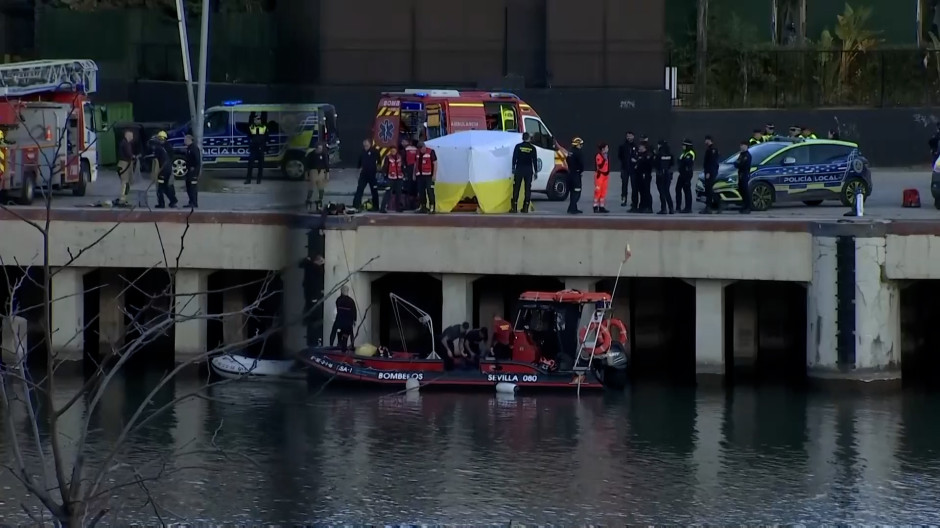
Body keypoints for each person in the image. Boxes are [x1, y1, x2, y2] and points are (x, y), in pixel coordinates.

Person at [510, 132, 538, 213]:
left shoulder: (518, 146)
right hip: (528, 170)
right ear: (529, 138)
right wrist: (536, 172)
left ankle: (514, 207)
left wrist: (513, 167)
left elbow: (514, 157)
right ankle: (525, 207)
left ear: (522, 138)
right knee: (527, 189)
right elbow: (535, 161)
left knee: (516, 188)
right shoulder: (532, 148)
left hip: (519, 169)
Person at [151, 131, 178, 209]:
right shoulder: (168, 146)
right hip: (168, 169)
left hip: (162, 171)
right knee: (166, 187)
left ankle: (161, 203)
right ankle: (173, 200)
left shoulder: (158, 148)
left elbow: (156, 160)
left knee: (160, 188)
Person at [353, 138, 381, 211]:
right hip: (364, 175)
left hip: (372, 174)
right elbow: (359, 163)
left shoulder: (375, 151)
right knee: (359, 189)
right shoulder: (362, 152)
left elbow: (379, 161)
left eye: (366, 143)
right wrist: (357, 171)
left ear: (370, 144)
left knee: (374, 190)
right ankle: (356, 205)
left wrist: (378, 169)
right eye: (364, 144)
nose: (365, 145)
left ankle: (376, 206)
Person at [330, 285, 357, 350]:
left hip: (340, 320)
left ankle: (332, 346)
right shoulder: (351, 301)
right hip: (347, 321)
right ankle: (351, 346)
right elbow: (354, 311)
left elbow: (338, 308)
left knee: (335, 331)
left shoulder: (338, 300)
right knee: (349, 333)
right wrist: (354, 320)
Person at [304, 142, 330, 212]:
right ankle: (309, 200)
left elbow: (326, 164)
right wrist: (307, 174)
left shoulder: (324, 154)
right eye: (319, 148)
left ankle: (319, 201)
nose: (320, 150)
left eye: (321, 149)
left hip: (321, 171)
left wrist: (327, 174)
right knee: (311, 188)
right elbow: (307, 165)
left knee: (321, 188)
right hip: (313, 171)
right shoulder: (311, 154)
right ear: (316, 148)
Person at [415, 140, 437, 213]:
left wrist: (434, 175)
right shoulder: (418, 153)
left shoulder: (431, 152)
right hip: (420, 175)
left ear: (424, 146)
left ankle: (432, 206)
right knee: (421, 191)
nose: (421, 150)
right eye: (419, 149)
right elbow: (416, 163)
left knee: (430, 191)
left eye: (422, 148)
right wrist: (414, 174)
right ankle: (423, 206)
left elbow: (435, 163)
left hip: (429, 176)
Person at [380, 146, 404, 213]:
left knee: (399, 193)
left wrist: (404, 174)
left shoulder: (400, 157)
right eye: (392, 150)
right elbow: (385, 167)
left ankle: (398, 208)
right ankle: (382, 208)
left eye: (394, 150)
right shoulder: (388, 158)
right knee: (388, 193)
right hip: (390, 178)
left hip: (399, 178)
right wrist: (384, 175)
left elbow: (402, 166)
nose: (393, 152)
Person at [244, 114, 267, 184]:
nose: (258, 120)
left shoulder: (264, 127)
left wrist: (261, 143)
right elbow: (249, 135)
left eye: (259, 119)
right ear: (254, 120)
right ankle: (248, 180)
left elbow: (266, 137)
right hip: (253, 149)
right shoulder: (251, 127)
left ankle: (259, 180)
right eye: (256, 119)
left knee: (260, 166)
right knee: (250, 165)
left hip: (261, 148)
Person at [655, 139, 675, 215]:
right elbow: (672, 164)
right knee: (667, 192)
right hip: (668, 174)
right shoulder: (670, 154)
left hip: (660, 175)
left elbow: (655, 164)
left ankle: (663, 209)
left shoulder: (659, 154)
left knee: (662, 192)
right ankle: (671, 208)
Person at [617, 132, 637, 208]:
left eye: (630, 136)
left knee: (634, 186)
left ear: (633, 136)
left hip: (633, 169)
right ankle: (623, 200)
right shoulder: (622, 146)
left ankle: (634, 201)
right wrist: (625, 161)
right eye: (628, 136)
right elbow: (620, 156)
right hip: (624, 168)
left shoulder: (636, 146)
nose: (629, 138)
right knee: (624, 185)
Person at [675, 138, 695, 213]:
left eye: (684, 145)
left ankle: (688, 208)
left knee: (687, 191)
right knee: (678, 189)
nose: (682, 146)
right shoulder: (684, 153)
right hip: (682, 174)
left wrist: (681, 162)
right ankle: (678, 207)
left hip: (687, 174)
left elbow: (687, 162)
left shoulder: (690, 153)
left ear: (687, 146)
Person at [115, 129, 135, 205]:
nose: (132, 137)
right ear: (127, 135)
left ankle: (124, 199)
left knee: (127, 183)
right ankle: (122, 200)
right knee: (125, 182)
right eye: (131, 135)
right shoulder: (125, 143)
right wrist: (133, 156)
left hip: (127, 164)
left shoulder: (127, 143)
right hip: (124, 164)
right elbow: (128, 153)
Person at [701, 136, 720, 214]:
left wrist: (708, 172)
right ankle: (710, 206)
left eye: (706, 140)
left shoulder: (711, 150)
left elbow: (711, 162)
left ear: (709, 140)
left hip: (710, 172)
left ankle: (710, 206)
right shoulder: (713, 149)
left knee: (709, 190)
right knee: (709, 189)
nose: (705, 141)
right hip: (712, 171)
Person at [566, 137, 585, 214]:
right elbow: (581, 164)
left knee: (572, 192)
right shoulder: (578, 153)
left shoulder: (570, 152)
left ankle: (572, 207)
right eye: (580, 144)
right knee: (577, 192)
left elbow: (567, 160)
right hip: (576, 175)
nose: (581, 146)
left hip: (570, 173)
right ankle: (572, 208)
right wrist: (580, 171)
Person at [734, 139, 753, 214]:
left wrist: (738, 164)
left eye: (742, 145)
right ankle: (744, 205)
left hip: (744, 174)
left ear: (746, 146)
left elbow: (740, 164)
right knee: (741, 189)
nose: (741, 146)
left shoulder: (747, 155)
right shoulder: (741, 154)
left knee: (745, 190)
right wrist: (738, 163)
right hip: (740, 173)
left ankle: (748, 207)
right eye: (740, 145)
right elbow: (736, 163)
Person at [183, 134, 200, 208]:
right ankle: (191, 201)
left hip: (193, 172)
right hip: (189, 171)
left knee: (192, 187)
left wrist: (194, 169)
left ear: (189, 140)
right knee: (188, 187)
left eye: (185, 140)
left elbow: (197, 160)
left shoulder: (194, 148)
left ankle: (194, 202)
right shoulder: (189, 148)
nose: (184, 141)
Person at [636, 142, 654, 213]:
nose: (640, 148)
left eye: (641, 147)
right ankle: (642, 206)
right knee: (641, 191)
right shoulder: (639, 154)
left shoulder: (648, 155)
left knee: (646, 191)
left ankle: (649, 207)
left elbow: (648, 164)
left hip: (646, 175)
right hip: (639, 175)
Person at [593, 142, 611, 213]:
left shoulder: (606, 155)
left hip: (605, 176)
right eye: (607, 147)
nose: (608, 149)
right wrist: (604, 159)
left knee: (603, 191)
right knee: (598, 191)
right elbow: (600, 166)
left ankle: (601, 206)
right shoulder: (599, 156)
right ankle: (595, 206)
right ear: (603, 149)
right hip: (599, 176)